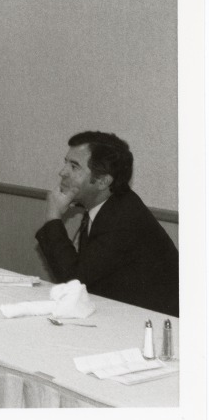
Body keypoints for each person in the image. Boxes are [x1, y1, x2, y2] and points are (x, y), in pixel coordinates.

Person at [35, 131, 178, 316]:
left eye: (74, 166)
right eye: (66, 163)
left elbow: (73, 281)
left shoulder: (123, 219)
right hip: (124, 313)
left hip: (158, 323)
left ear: (102, 181)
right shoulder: (108, 205)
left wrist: (53, 216)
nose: (62, 172)